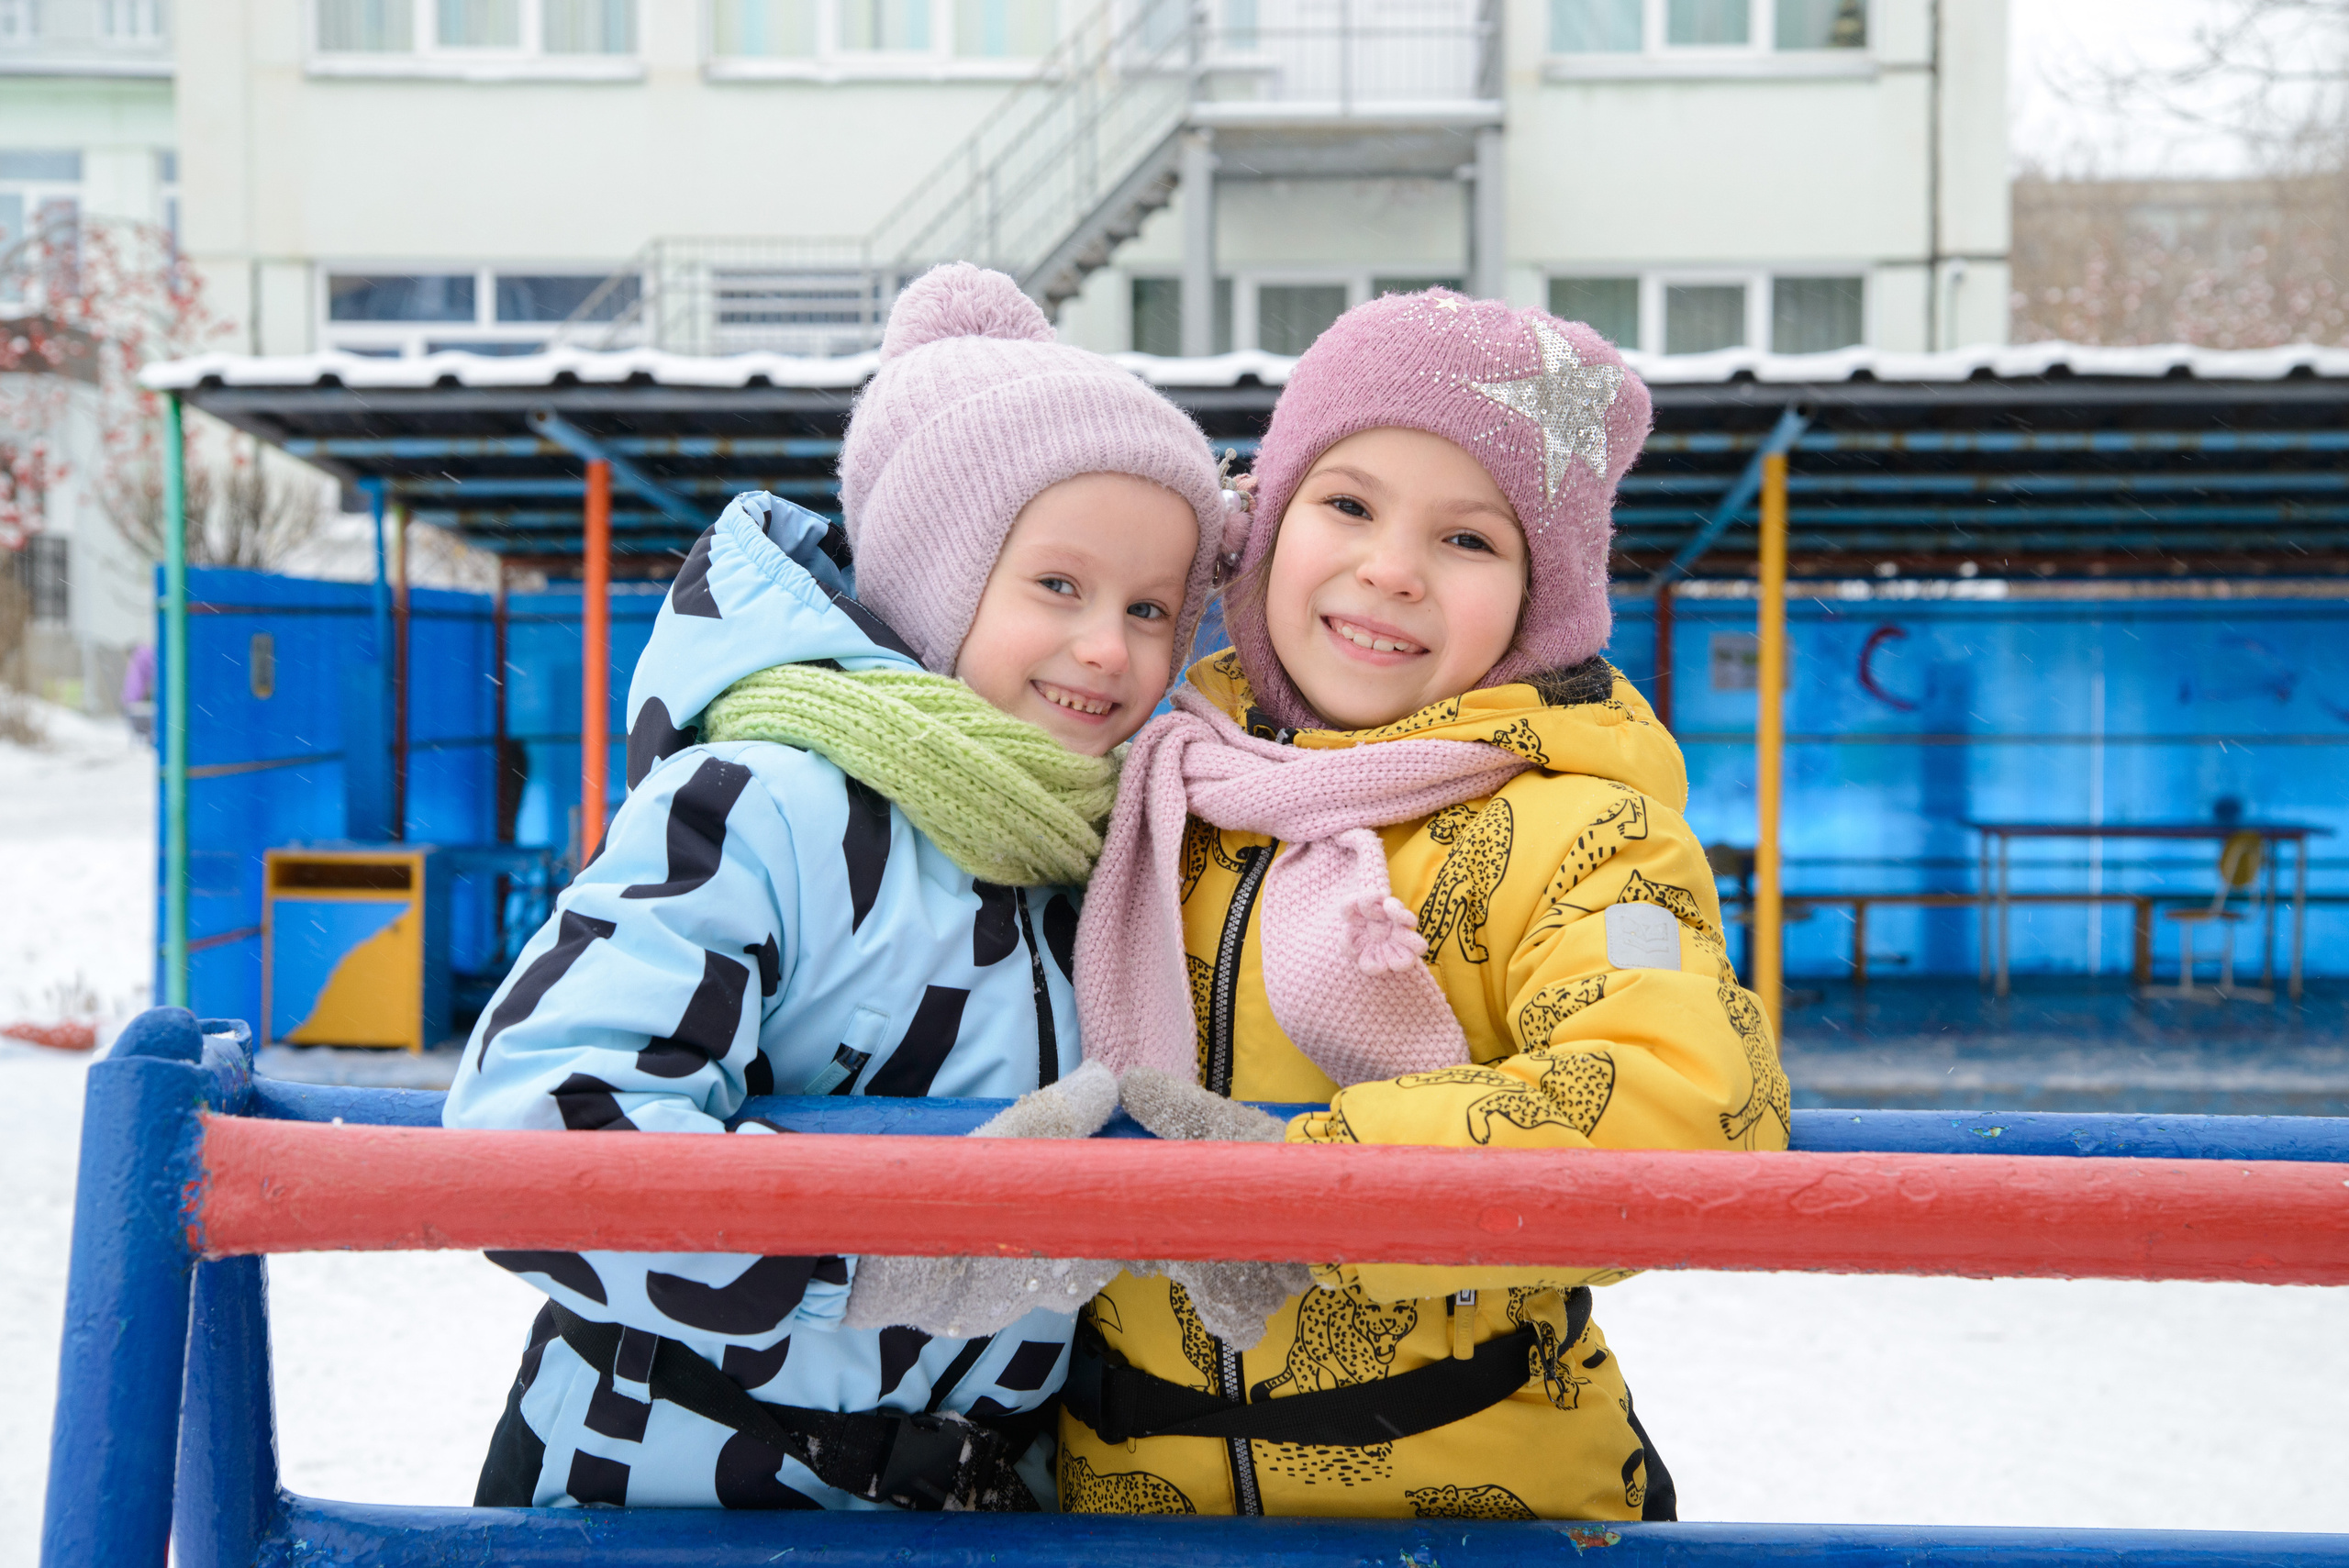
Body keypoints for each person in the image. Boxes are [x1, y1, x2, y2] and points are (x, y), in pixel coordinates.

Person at [444, 262, 1222, 1514]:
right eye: (1058, 587)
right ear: (937, 578)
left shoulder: (1113, 857)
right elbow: (542, 1122)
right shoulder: (768, 803)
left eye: (1151, 608)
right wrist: (877, 1259)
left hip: (978, 1513)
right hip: (667, 1494)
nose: (1107, 648)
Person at [1062, 290, 1791, 1520]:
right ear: (1267, 522)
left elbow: (1686, 1109)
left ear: (1537, 601)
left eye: (1469, 539)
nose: (1389, 569)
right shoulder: (1138, 783)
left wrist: (1292, 1185)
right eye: (1346, 503)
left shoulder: (1591, 832)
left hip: (1485, 1515)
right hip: (1117, 1512)